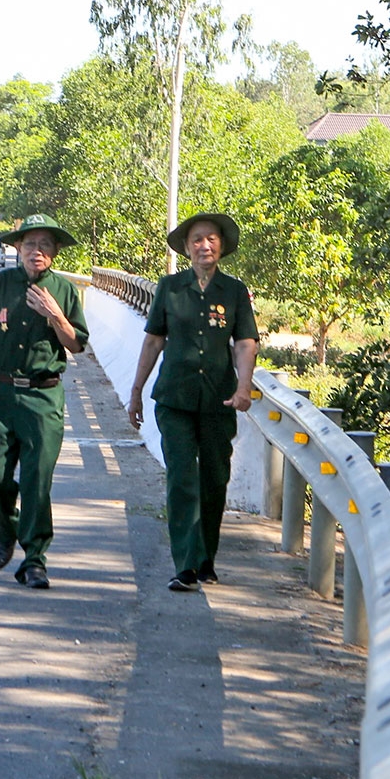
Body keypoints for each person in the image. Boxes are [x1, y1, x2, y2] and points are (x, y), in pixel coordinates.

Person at [127, 212, 259, 593]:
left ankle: (206, 560)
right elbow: (153, 340)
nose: (205, 245)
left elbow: (246, 342)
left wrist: (244, 387)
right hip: (175, 399)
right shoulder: (169, 288)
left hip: (219, 399)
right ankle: (185, 565)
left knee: (214, 479)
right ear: (186, 248)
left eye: (212, 239)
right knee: (183, 476)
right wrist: (136, 391)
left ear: (222, 246)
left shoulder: (234, 292)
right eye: (197, 240)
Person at [0, 213, 89, 590]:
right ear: (18, 248)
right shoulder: (0, 284)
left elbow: (77, 344)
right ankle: (6, 531)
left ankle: (35, 559)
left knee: (37, 480)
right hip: (1, 394)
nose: (37, 252)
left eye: (45, 245)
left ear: (55, 253)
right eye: (30, 244)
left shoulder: (63, 291)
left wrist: (55, 316)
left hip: (43, 395)